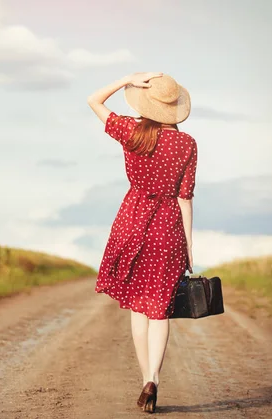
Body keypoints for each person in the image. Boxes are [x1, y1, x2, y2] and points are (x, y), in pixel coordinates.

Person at [87, 72, 196, 413]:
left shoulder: (131, 133)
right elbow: (185, 199)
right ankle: (154, 379)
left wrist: (126, 80)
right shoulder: (187, 144)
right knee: (160, 309)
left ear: (145, 104)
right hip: (168, 229)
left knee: (138, 308)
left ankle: (143, 379)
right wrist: (189, 249)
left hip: (133, 222)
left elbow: (93, 101)